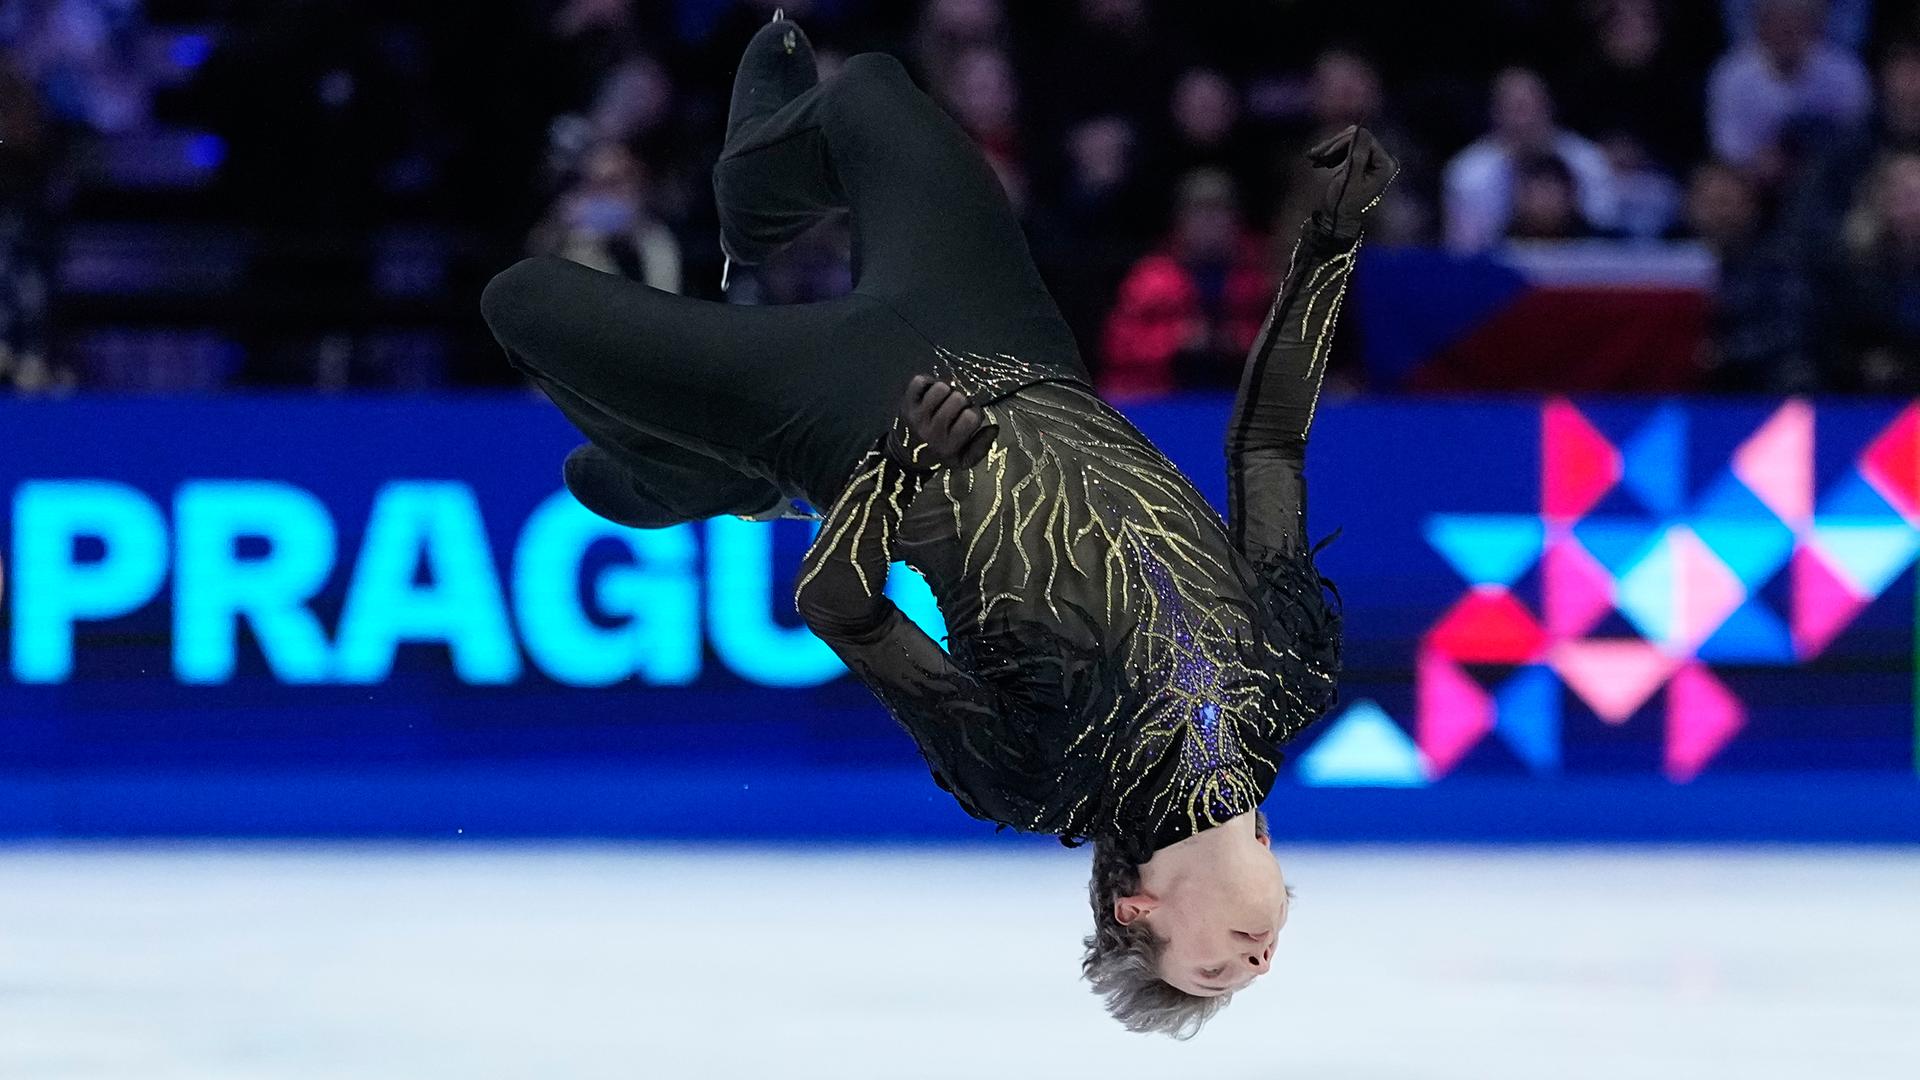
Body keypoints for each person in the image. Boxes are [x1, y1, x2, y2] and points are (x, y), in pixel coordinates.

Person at [479, 14, 1395, 1038]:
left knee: (524, 302)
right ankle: (748, 210)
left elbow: (839, 607)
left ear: (1138, 913)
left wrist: (897, 466)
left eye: (1213, 978)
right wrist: (1327, 248)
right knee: (870, 87)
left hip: (850, 414)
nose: (1257, 967)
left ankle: (732, 473)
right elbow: (1268, 445)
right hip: (1010, 335)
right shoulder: (1290, 674)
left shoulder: (1040, 778)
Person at [1443, 67, 1619, 253]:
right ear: (1495, 112)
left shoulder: (1585, 160)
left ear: (1549, 107)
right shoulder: (1468, 171)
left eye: (1530, 106)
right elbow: (1462, 248)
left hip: (1580, 265)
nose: (1523, 119)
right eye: (1514, 108)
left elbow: (1605, 228)